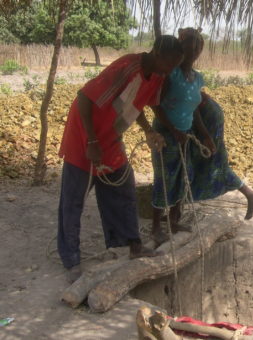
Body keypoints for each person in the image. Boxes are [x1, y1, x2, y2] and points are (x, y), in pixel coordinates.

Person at [57, 35, 184, 282]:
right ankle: (71, 259)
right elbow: (84, 97)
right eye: (170, 63)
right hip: (85, 136)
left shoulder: (157, 76)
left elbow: (141, 104)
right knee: (73, 200)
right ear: (157, 53)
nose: (171, 69)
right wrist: (91, 142)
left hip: (111, 136)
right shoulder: (127, 67)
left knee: (123, 188)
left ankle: (129, 245)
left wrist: (149, 130)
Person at [150, 28, 253, 244]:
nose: (192, 52)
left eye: (196, 48)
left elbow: (195, 111)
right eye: (187, 48)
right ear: (179, 50)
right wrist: (173, 131)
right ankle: (155, 228)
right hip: (167, 134)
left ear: (200, 51)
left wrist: (205, 136)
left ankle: (173, 221)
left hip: (186, 133)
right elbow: (156, 104)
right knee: (164, 178)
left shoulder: (196, 78)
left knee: (183, 176)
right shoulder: (169, 74)